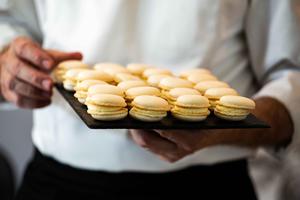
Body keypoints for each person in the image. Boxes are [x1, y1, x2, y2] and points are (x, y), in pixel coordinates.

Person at [0, 0, 299, 199]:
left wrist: (223, 125)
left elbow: (290, 79)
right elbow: (10, 28)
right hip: (60, 182)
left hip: (210, 184)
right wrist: (8, 64)